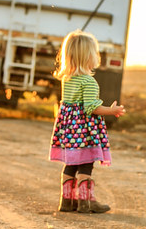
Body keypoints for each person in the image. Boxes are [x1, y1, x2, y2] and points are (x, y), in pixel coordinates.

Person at [49, 29, 125, 213]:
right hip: (84, 132)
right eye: (95, 53)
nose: (96, 57)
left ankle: (66, 201)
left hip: (69, 131)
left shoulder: (68, 79)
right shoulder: (88, 82)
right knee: (86, 163)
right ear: (87, 57)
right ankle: (86, 202)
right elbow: (91, 108)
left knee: (71, 163)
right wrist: (111, 110)